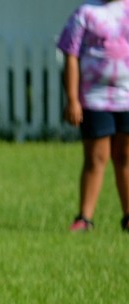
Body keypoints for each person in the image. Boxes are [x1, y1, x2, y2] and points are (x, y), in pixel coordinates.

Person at [58, 0, 129, 233]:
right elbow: (71, 55)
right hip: (94, 98)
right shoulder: (86, 13)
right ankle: (84, 218)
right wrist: (72, 99)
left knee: (125, 156)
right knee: (96, 157)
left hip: (126, 98)